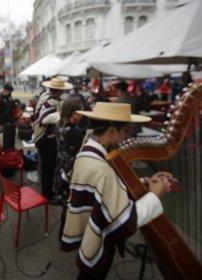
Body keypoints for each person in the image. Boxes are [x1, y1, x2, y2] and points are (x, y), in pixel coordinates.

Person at [60, 102, 176, 280]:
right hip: (98, 236)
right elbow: (123, 221)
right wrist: (155, 195)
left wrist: (144, 182)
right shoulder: (102, 168)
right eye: (126, 131)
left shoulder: (88, 149)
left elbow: (108, 188)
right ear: (112, 131)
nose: (126, 136)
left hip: (91, 225)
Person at [33, 77, 73, 204]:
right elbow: (44, 119)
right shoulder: (50, 101)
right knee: (48, 167)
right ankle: (46, 194)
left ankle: (47, 190)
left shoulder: (45, 96)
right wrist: (60, 115)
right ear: (60, 91)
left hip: (43, 138)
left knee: (47, 166)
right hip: (46, 139)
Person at [55, 96, 87, 238]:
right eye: (80, 113)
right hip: (69, 170)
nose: (81, 116)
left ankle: (63, 232)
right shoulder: (75, 132)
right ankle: (65, 233)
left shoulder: (60, 124)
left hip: (61, 168)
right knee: (69, 202)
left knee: (64, 201)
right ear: (73, 113)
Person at [0, 82, 16, 149]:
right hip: (5, 123)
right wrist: (1, 124)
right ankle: (7, 153)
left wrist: (16, 105)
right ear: (5, 89)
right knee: (7, 140)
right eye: (9, 91)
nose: (10, 92)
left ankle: (12, 151)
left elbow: (13, 106)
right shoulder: (1, 99)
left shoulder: (10, 97)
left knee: (12, 138)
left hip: (12, 121)